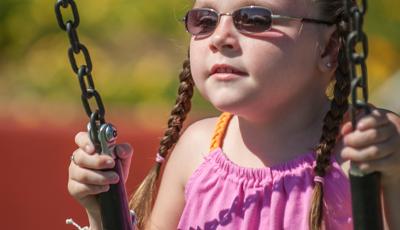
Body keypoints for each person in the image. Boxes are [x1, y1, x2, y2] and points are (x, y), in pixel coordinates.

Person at [67, 0, 400, 229]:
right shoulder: (197, 151)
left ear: (327, 48)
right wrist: (103, 211)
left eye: (255, 18)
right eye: (205, 20)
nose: (220, 38)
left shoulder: (366, 147)